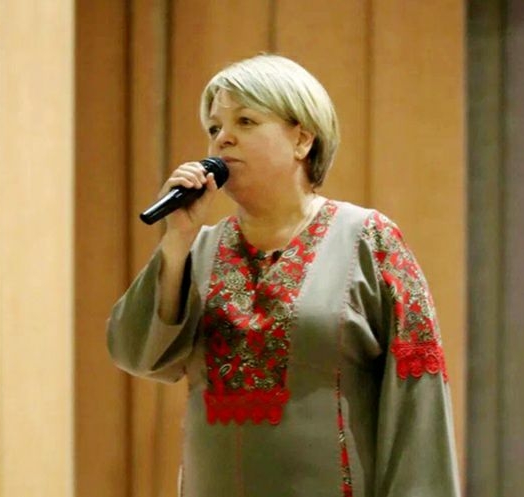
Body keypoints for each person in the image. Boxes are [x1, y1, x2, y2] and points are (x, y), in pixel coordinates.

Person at [107, 54, 460, 496]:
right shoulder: (198, 248)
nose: (223, 139)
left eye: (246, 121)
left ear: (302, 140)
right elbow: (136, 354)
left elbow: (417, 396)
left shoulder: (369, 240)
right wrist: (177, 240)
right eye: (214, 128)